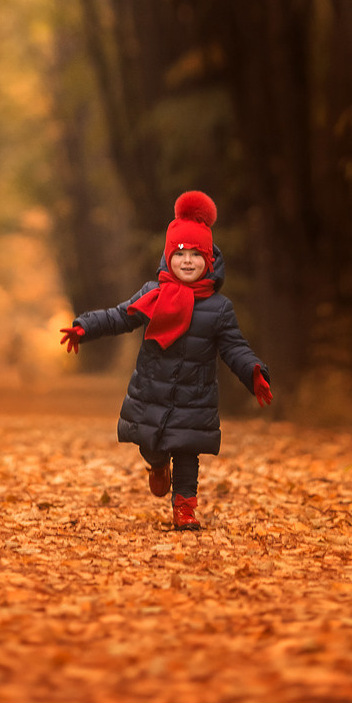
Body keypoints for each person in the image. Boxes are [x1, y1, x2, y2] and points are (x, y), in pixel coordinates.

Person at [59, 191, 272, 530]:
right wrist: (85, 326)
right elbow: (120, 317)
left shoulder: (219, 309)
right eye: (180, 253)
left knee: (188, 453)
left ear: (209, 261)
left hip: (195, 397)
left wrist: (253, 371)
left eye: (196, 255)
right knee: (152, 444)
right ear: (168, 257)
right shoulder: (152, 294)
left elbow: (234, 348)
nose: (187, 261)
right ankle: (157, 465)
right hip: (152, 393)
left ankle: (185, 509)